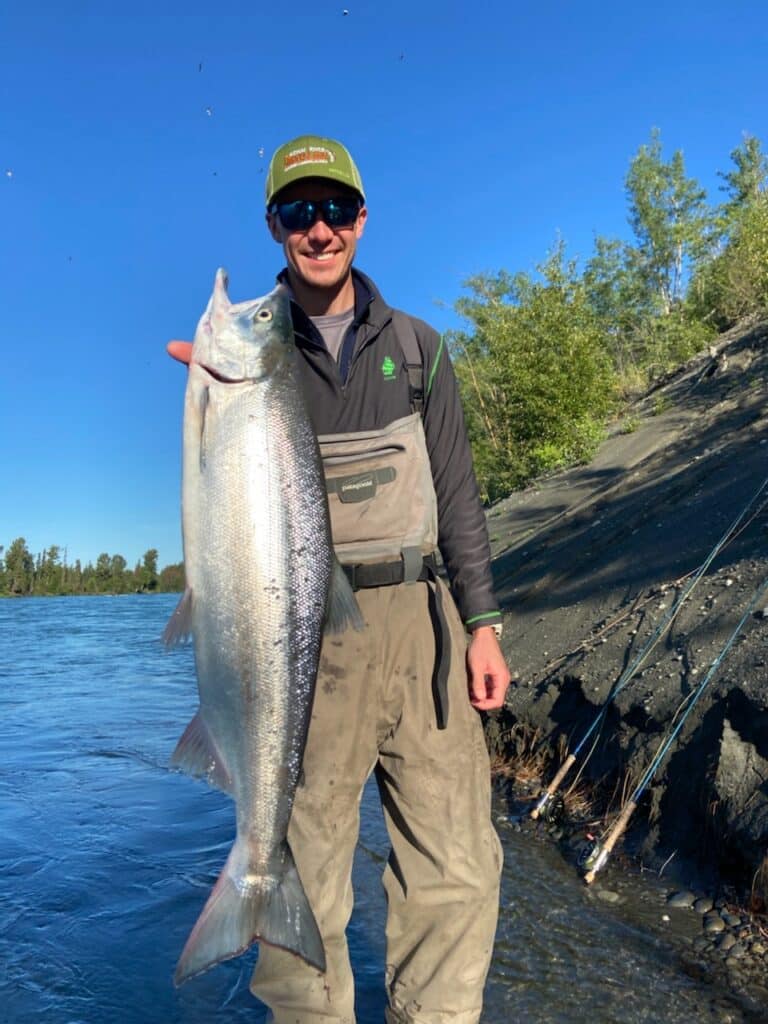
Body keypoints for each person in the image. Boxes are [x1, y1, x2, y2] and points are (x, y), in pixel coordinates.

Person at [168, 134, 510, 1024]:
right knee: (305, 863)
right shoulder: (259, 353)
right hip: (304, 634)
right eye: (296, 212)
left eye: (332, 210)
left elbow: (460, 499)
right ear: (275, 227)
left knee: (456, 866)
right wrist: (211, 395)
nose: (318, 229)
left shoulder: (421, 349)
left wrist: (484, 625)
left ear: (362, 219)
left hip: (426, 628)